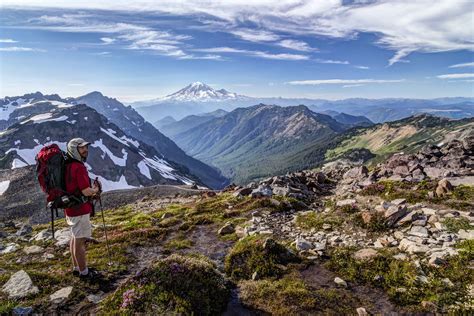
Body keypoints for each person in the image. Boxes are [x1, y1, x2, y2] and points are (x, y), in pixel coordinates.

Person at [64, 137, 101, 280]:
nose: (85, 150)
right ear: (74, 150)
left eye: (86, 147)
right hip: (80, 209)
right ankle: (84, 272)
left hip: (70, 208)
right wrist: (96, 190)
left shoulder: (68, 165)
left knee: (74, 238)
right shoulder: (79, 167)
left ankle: (76, 267)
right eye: (81, 148)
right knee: (80, 241)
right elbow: (85, 191)